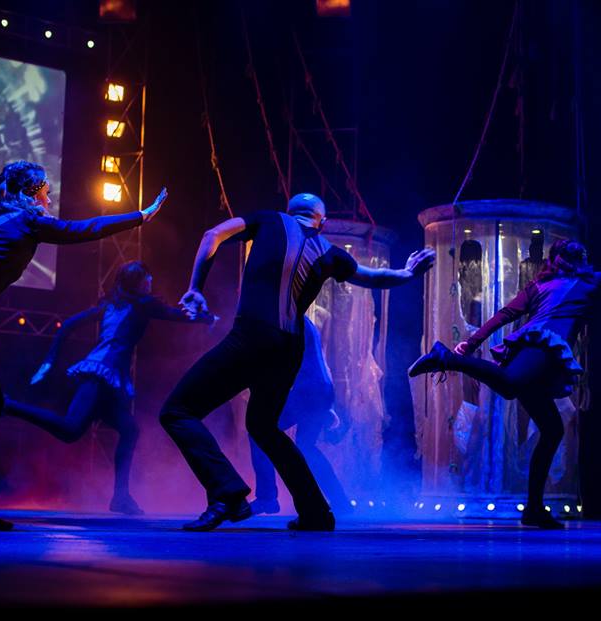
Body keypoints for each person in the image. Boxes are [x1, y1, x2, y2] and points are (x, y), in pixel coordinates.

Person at [160, 193, 435, 531]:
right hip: (289, 348)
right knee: (264, 427)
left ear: (289, 212)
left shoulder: (269, 219)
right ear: (322, 222)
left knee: (178, 411)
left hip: (253, 335)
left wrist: (195, 288)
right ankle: (316, 512)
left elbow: (212, 235)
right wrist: (408, 272)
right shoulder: (329, 251)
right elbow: (373, 277)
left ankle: (227, 492)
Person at [0, 160, 165, 530]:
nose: (49, 201)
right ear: (31, 193)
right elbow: (83, 229)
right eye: (46, 193)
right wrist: (141, 216)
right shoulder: (28, 221)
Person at [409, 239, 601, 528]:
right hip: (541, 347)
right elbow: (507, 314)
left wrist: (473, 342)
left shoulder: (566, 283)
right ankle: (445, 358)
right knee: (510, 384)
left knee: (551, 429)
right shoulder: (572, 283)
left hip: (538, 351)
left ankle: (534, 508)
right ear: (560, 259)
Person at [6, 261, 214, 515]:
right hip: (100, 374)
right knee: (70, 429)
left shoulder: (113, 305)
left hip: (108, 377)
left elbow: (69, 324)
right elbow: (174, 315)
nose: (151, 281)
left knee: (129, 429)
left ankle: (121, 497)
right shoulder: (143, 304)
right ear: (138, 282)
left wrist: (49, 362)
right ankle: (8, 405)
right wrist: (206, 318)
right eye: (147, 277)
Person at [247, 316, 352, 516]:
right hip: (320, 389)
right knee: (305, 447)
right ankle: (341, 502)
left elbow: (284, 361)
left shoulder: (286, 318)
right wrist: (327, 402)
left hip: (308, 391)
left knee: (258, 429)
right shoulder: (301, 320)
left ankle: (267, 497)